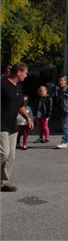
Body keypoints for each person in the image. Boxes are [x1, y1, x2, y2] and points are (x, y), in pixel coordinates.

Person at [1, 63, 33, 192]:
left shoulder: (18, 86)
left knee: (11, 156)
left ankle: (5, 182)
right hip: (1, 124)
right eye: (25, 73)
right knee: (3, 153)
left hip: (12, 126)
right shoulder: (2, 83)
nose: (26, 75)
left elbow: (20, 105)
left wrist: (28, 118)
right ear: (19, 72)